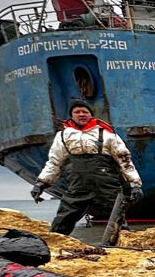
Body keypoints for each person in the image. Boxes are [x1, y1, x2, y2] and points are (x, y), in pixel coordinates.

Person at [31, 99, 144, 235]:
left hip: (107, 186)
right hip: (77, 185)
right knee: (62, 220)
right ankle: (54, 244)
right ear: (71, 115)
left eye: (85, 112)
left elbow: (124, 161)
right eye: (77, 112)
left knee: (117, 222)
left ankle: (124, 246)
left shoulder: (107, 134)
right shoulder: (62, 136)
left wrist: (135, 185)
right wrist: (40, 184)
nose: (81, 114)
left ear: (91, 114)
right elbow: (54, 163)